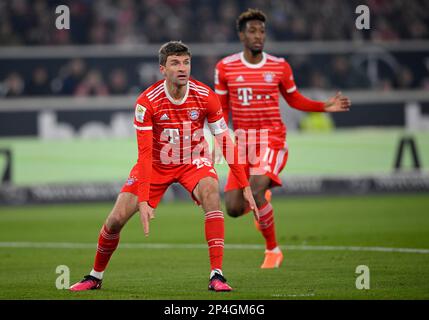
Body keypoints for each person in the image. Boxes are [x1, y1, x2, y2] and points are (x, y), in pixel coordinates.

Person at [70, 41, 258, 292]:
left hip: (193, 160)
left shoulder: (205, 96)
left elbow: (225, 141)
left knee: (211, 192)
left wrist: (244, 185)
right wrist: (145, 200)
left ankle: (217, 275)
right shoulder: (147, 101)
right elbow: (145, 155)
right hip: (157, 164)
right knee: (115, 220)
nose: (182, 68)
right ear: (162, 69)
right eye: (175, 63)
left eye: (186, 62)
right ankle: (95, 277)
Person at [214, 9, 351, 269]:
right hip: (242, 142)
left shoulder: (279, 65)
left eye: (262, 31)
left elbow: (294, 98)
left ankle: (272, 250)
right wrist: (217, 138)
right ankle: (261, 206)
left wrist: (324, 106)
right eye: (252, 31)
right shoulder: (225, 67)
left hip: (271, 139)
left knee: (255, 189)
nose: (258, 36)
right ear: (241, 35)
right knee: (232, 208)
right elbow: (221, 108)